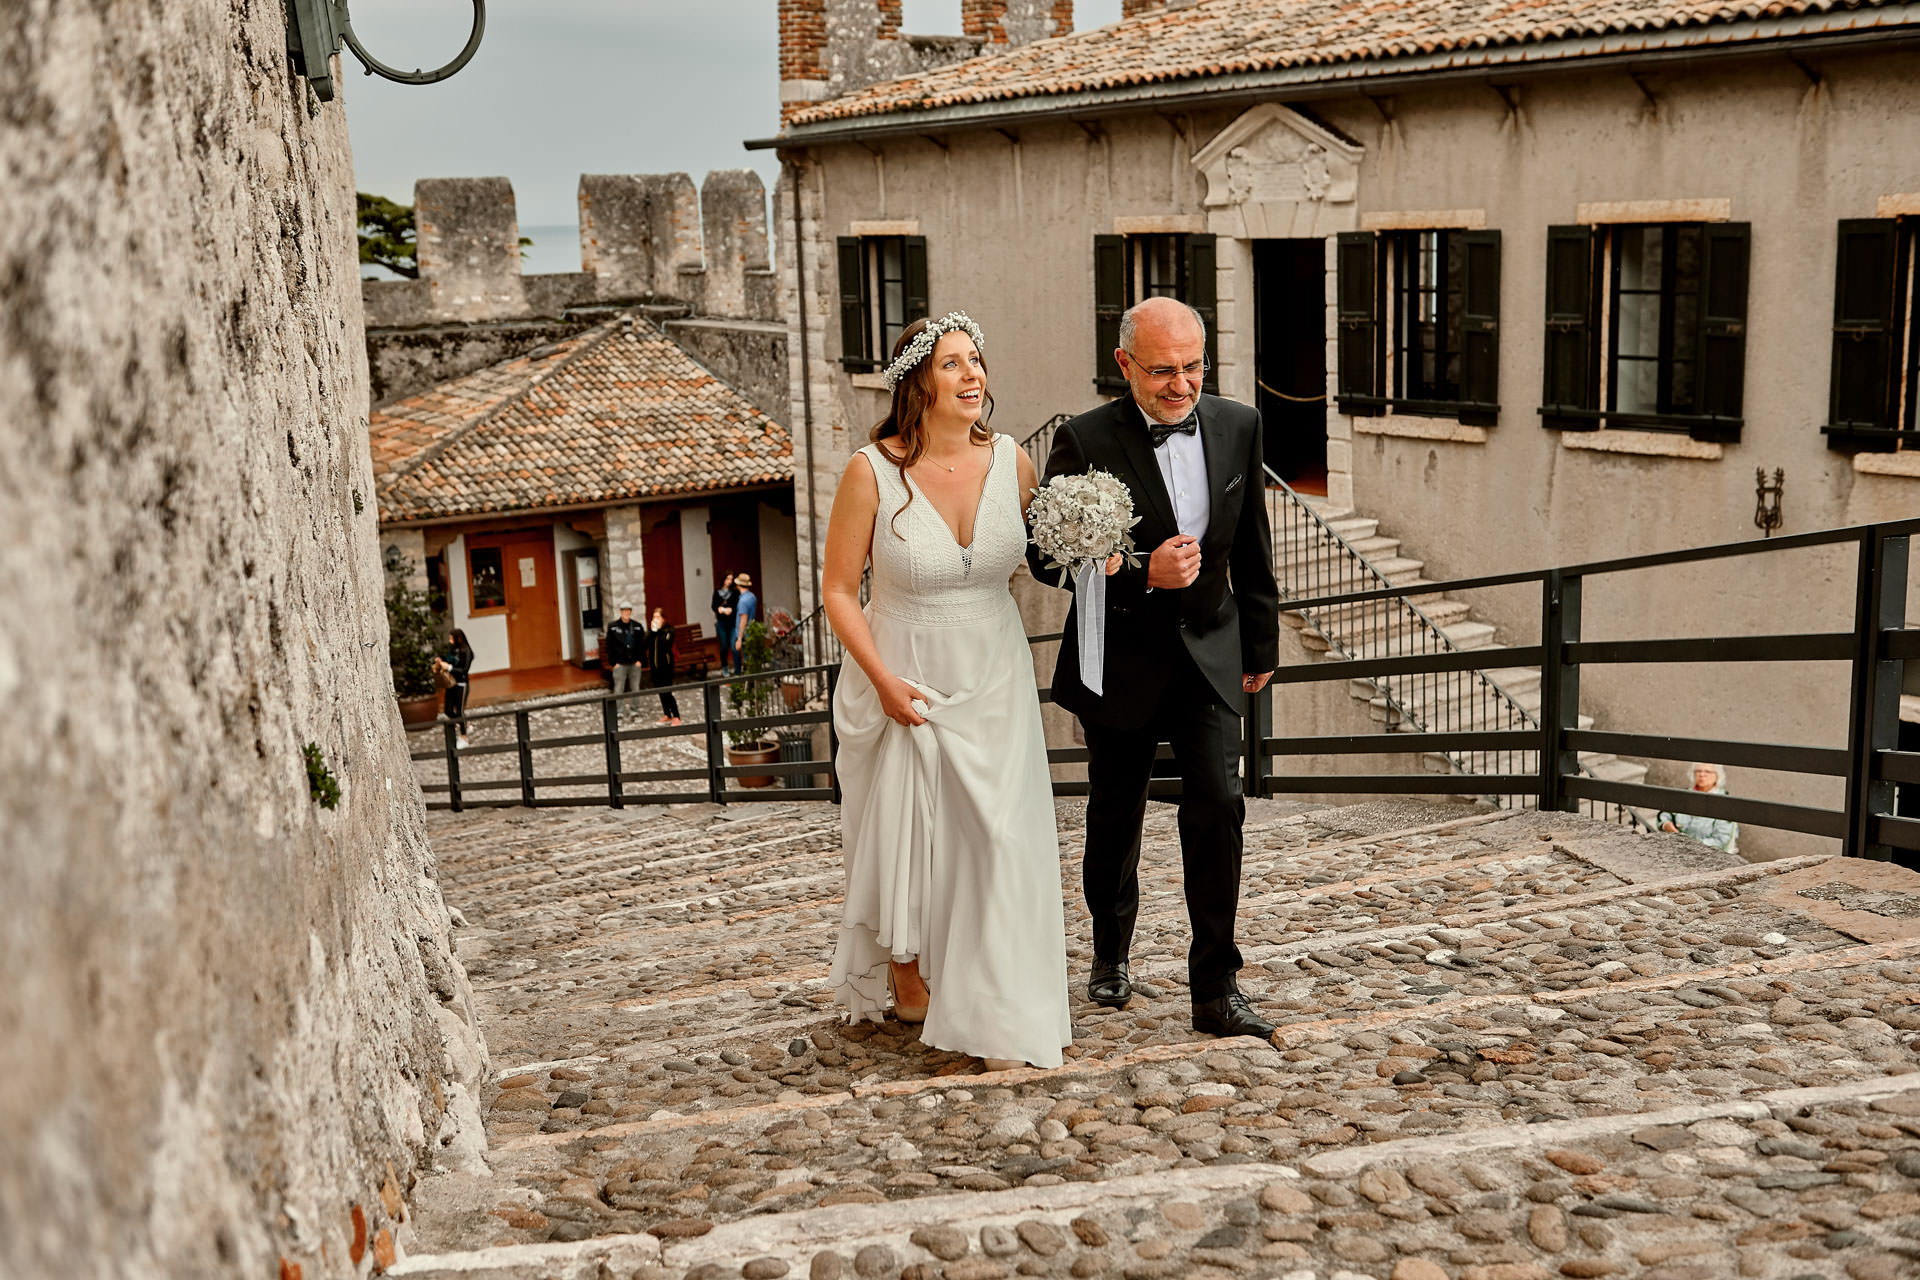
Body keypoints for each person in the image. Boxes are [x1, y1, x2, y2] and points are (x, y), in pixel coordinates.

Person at [823, 311, 1076, 1073]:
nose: (973, 376)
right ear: (917, 384)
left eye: (977, 361)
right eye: (953, 364)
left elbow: (1043, 563)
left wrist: (1102, 552)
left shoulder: (1014, 465)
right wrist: (884, 681)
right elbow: (838, 590)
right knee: (916, 835)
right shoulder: (872, 472)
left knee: (999, 838)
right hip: (907, 666)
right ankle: (906, 965)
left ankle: (996, 1002)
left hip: (995, 670)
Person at [1029, 296, 1281, 1042]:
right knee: (1115, 813)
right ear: (1125, 366)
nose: (1181, 385)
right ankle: (1110, 952)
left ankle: (1216, 989)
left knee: (1218, 807)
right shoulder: (1082, 440)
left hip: (1210, 651)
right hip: (1121, 661)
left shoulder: (1239, 426)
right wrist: (1139, 572)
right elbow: (1047, 558)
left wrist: (1260, 646)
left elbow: (1253, 547)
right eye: (1163, 370)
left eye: (1193, 367)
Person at [1659, 763, 1740, 853]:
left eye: (1707, 771)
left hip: (1708, 855)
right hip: (1678, 849)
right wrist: (1665, 824)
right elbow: (1665, 814)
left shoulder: (1724, 803)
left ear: (1717, 776)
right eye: (1698, 771)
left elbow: (1721, 840)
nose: (1702, 774)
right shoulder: (1685, 795)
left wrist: (1690, 845)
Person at [603, 601, 645, 721]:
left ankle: (634, 710)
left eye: (628, 611)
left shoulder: (637, 626)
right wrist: (613, 663)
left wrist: (640, 660)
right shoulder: (613, 627)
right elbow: (609, 646)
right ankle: (619, 711)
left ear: (630, 612)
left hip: (634, 663)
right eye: (624, 611)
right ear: (620, 612)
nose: (626, 613)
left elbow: (642, 645)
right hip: (620, 663)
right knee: (618, 688)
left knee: (635, 687)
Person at [434, 629, 474, 749]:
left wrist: (450, 667)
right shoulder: (452, 649)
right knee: (447, 710)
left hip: (461, 684)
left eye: (452, 638)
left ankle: (464, 737)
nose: (450, 641)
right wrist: (440, 661)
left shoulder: (467, 652)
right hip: (451, 683)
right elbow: (447, 658)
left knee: (459, 711)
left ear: (458, 638)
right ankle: (465, 724)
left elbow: (464, 670)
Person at [646, 607, 682, 725]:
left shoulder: (669, 630)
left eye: (658, 617)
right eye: (654, 617)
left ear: (663, 618)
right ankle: (667, 714)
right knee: (660, 691)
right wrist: (651, 632)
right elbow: (644, 643)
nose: (655, 620)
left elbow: (665, 644)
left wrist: (658, 631)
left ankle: (676, 716)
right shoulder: (653, 632)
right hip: (655, 666)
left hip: (666, 667)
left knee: (667, 691)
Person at [712, 573, 740, 677]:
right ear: (723, 579)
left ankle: (738, 669)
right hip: (721, 623)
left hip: (732, 623)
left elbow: (737, 606)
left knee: (734, 646)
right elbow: (713, 606)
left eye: (731, 579)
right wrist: (720, 609)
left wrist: (731, 610)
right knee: (724, 646)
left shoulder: (735, 592)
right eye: (728, 578)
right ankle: (725, 668)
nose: (729, 581)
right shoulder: (717, 592)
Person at [732, 572, 759, 674]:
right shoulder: (752, 596)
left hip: (744, 634)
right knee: (751, 658)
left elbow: (743, 619)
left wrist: (739, 638)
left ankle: (746, 680)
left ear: (738, 585)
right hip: (750, 631)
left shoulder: (743, 601)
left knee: (746, 658)